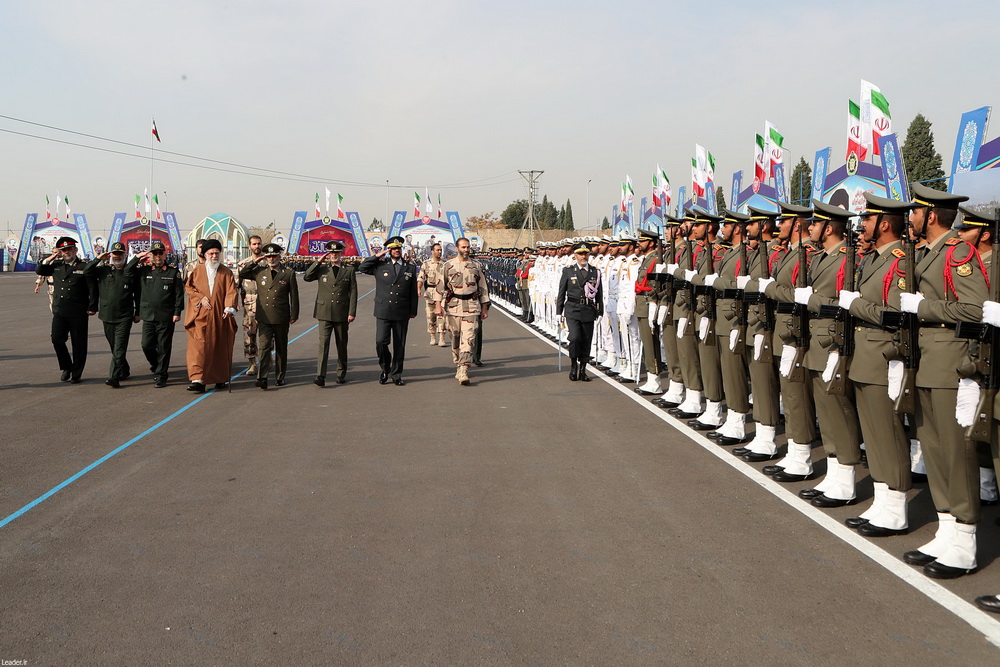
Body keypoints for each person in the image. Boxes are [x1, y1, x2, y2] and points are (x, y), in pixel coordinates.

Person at [895, 183, 986, 579]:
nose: (910, 218)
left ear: (930, 215)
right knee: (931, 445)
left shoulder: (958, 252)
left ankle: (965, 540)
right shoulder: (928, 253)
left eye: (914, 212)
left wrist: (925, 307)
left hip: (950, 361)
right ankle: (947, 528)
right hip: (926, 360)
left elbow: (975, 307)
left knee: (954, 450)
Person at [357, 235, 418, 385]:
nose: (396, 250)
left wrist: (413, 310)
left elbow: (412, 291)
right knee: (380, 342)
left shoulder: (409, 267)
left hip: (401, 311)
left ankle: (396, 374)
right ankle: (385, 368)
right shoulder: (380, 265)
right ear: (389, 250)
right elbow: (362, 267)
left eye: (398, 248)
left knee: (400, 344)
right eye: (393, 248)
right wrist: (377, 256)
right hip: (383, 310)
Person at [35, 237, 97, 383]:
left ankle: (76, 372)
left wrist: (92, 306)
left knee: (79, 344)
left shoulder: (83, 266)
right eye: (63, 250)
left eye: (69, 249)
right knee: (56, 339)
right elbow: (40, 269)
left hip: (78, 311)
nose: (66, 252)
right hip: (60, 310)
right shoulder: (56, 265)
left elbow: (92, 288)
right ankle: (66, 366)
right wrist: (51, 257)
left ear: (75, 250)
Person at [238, 243, 299, 389]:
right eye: (269, 256)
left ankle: (280, 376)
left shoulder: (288, 273)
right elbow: (243, 273)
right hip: (264, 316)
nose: (271, 259)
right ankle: (262, 377)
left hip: (281, 316)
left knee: (281, 348)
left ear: (279, 256)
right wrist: (255, 261)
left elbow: (294, 296)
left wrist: (294, 314)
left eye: (274, 256)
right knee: (264, 347)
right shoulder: (260, 271)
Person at [184, 239, 239, 393]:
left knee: (218, 347)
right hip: (200, 316)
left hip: (219, 317)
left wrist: (229, 307)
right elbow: (189, 288)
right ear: (205, 255)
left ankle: (219, 378)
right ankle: (198, 380)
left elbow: (231, 291)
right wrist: (201, 298)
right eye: (211, 253)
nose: (214, 256)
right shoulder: (197, 271)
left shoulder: (226, 272)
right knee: (198, 348)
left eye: (216, 253)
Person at [127, 241, 184, 388]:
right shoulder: (144, 270)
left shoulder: (172, 272)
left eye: (160, 253)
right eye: (155, 253)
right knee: (146, 345)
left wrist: (177, 312)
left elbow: (179, 294)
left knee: (164, 346)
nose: (158, 256)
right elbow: (127, 271)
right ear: (151, 255)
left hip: (166, 315)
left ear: (164, 254)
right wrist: (137, 258)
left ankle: (161, 375)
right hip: (148, 315)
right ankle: (156, 364)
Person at [435, 237, 490, 385]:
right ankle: (458, 361)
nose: (466, 250)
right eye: (463, 247)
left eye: (468, 247)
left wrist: (484, 307)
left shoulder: (476, 266)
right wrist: (438, 305)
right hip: (453, 307)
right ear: (457, 248)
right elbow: (440, 287)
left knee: (469, 339)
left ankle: (463, 369)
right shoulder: (448, 265)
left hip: (471, 307)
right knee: (455, 337)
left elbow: (483, 288)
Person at [83, 241, 139, 388]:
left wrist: (138, 312)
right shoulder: (103, 271)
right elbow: (87, 272)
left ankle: (114, 377)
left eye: (120, 254)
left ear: (124, 255)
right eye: (115, 254)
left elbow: (138, 294)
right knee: (114, 347)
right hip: (107, 315)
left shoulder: (130, 272)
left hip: (125, 316)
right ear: (111, 255)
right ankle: (124, 369)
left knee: (119, 347)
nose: (118, 256)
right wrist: (98, 259)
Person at [304, 240, 357, 386]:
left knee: (341, 344)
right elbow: (307, 277)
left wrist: (352, 312)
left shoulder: (349, 269)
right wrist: (318, 262)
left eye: (337, 252)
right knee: (323, 344)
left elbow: (353, 291)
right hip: (324, 312)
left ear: (341, 253)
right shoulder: (322, 268)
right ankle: (320, 375)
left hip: (341, 312)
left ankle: (341, 372)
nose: (334, 255)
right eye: (331, 252)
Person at [556, 244, 603, 381]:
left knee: (586, 341)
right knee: (575, 338)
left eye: (586, 254)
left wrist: (600, 311)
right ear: (575, 255)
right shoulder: (569, 271)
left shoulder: (595, 272)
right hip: (572, 308)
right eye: (580, 254)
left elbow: (599, 293)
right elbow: (561, 292)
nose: (583, 256)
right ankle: (573, 366)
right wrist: (559, 311)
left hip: (588, 310)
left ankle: (583, 369)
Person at [237, 234, 264, 376]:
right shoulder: (242, 264)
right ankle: (252, 364)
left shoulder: (267, 262)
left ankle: (267, 360)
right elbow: (236, 285)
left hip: (265, 305)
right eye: (254, 244)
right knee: (250, 336)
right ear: (249, 246)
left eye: (259, 243)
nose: (257, 246)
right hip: (249, 306)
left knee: (267, 337)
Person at [417, 242, 448, 346]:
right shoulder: (426, 264)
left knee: (442, 315)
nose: (439, 252)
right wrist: (418, 289)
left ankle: (442, 337)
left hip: (443, 293)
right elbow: (421, 278)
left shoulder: (445, 264)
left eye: (440, 250)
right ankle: (432, 336)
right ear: (432, 251)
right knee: (430, 316)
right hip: (430, 292)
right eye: (437, 250)